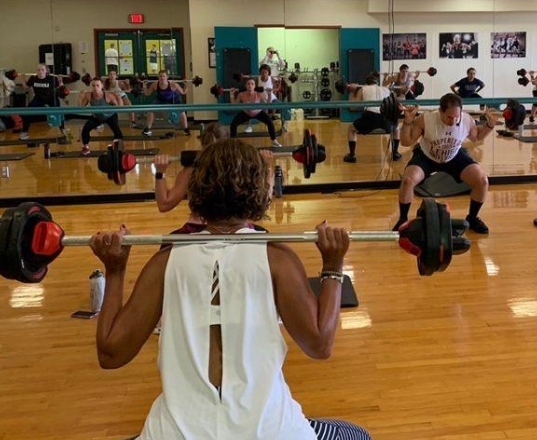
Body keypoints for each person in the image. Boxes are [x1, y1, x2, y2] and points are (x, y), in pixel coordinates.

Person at [90, 139, 372, 440]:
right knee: (355, 434)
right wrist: (332, 265)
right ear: (259, 190)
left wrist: (115, 269)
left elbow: (111, 354)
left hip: (177, 434)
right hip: (271, 433)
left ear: (196, 190)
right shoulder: (277, 258)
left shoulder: (165, 261)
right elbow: (320, 345)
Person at [394, 93, 498, 234]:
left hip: (454, 156)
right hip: (427, 157)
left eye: (456, 116)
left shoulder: (466, 120)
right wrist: (407, 121)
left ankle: (473, 218)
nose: (453, 121)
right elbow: (406, 142)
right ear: (440, 111)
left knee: (482, 181)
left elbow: (477, 137)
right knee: (407, 180)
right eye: (449, 117)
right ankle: (403, 219)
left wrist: (490, 124)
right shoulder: (426, 119)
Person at [152, 123, 232, 234]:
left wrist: (160, 172)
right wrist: (265, 167)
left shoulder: (192, 171)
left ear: (202, 144)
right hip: (233, 229)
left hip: (198, 230)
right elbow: (261, 203)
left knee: (169, 244)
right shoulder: (238, 168)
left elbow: (164, 204)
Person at [343, 73, 398, 163]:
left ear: (366, 83)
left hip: (370, 118)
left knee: (351, 128)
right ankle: (395, 153)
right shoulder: (386, 89)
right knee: (397, 127)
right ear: (376, 83)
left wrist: (352, 91)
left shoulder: (363, 89)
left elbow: (352, 107)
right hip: (385, 119)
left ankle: (352, 155)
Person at [16, 64, 64, 140]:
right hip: (38, 99)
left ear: (46, 71)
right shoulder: (33, 78)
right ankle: (24, 133)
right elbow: (26, 87)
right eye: (38, 70)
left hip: (51, 99)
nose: (40, 72)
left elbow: (61, 87)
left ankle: (63, 131)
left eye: (42, 70)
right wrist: (23, 79)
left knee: (58, 113)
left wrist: (60, 81)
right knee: (26, 113)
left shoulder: (52, 79)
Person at [228, 77, 280, 146]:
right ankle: (232, 142)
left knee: (270, 122)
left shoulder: (259, 94)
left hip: (258, 112)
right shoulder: (241, 95)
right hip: (246, 113)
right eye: (248, 84)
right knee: (233, 124)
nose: (250, 85)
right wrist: (231, 94)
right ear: (246, 86)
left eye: (252, 84)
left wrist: (270, 94)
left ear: (255, 86)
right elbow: (234, 105)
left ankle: (274, 140)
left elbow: (268, 104)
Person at [78, 77, 123, 157]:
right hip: (97, 116)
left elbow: (119, 107)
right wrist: (80, 98)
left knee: (117, 132)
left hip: (110, 116)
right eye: (93, 86)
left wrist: (119, 97)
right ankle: (85, 147)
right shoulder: (88, 95)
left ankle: (117, 148)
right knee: (85, 129)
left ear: (102, 86)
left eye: (97, 85)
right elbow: (81, 108)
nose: (95, 88)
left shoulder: (108, 96)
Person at [143, 70, 190, 138]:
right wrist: (144, 86)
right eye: (160, 76)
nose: (162, 78)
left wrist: (186, 85)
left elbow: (183, 92)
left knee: (181, 110)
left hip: (174, 98)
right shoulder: (155, 85)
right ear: (158, 77)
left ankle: (186, 129)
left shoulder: (173, 84)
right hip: (161, 99)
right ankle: (147, 129)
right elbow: (147, 93)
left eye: (164, 76)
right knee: (151, 109)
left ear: (167, 77)